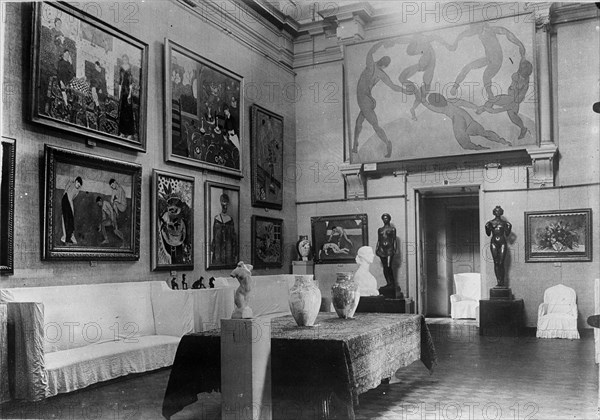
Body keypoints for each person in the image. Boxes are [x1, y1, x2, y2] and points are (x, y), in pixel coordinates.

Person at [352, 40, 408, 158]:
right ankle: (355, 145)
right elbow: (393, 86)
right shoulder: (380, 73)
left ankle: (387, 143)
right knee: (358, 122)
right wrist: (404, 90)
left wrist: (382, 43)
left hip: (365, 100)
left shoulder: (371, 65)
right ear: (385, 66)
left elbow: (371, 50)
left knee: (375, 125)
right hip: (366, 100)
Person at [449, 22, 526, 100]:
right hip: (488, 58)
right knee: (468, 67)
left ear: (481, 25)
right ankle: (455, 86)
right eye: (473, 29)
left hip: (496, 61)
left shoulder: (490, 30)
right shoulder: (477, 30)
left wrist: (519, 44)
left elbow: (506, 32)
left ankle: (490, 96)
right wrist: (455, 43)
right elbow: (464, 34)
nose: (474, 31)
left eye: (474, 28)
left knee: (486, 76)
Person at [422, 93, 510, 150]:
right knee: (468, 141)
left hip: (465, 121)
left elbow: (463, 103)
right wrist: (423, 101)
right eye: (437, 101)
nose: (441, 101)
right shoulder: (442, 109)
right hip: (462, 122)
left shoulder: (450, 102)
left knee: (482, 133)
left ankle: (500, 141)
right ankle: (482, 149)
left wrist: (476, 107)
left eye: (440, 98)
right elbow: (429, 106)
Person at [476, 58, 533, 139]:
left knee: (513, 118)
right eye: (521, 68)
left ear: (526, 72)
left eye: (524, 69)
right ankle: (483, 108)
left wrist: (507, 107)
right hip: (509, 97)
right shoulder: (517, 74)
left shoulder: (525, 84)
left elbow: (519, 98)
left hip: (513, 101)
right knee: (493, 100)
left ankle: (523, 129)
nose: (521, 70)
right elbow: (521, 61)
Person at [485, 206, 512, 288]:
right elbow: (488, 234)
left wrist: (509, 227)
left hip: (502, 242)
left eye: (499, 211)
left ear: (501, 212)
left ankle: (502, 282)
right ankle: (498, 282)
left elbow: (507, 234)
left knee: (501, 262)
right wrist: (486, 227)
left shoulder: (504, 223)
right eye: (496, 211)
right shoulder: (490, 222)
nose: (498, 212)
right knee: (496, 262)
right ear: (494, 212)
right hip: (494, 242)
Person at [211, 192, 237, 266]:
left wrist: (234, 252)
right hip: (218, 249)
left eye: (226, 203)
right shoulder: (216, 219)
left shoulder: (230, 220)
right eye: (223, 203)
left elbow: (233, 237)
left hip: (228, 250)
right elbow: (214, 235)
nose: (224, 206)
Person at [376, 213, 397, 292]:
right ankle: (388, 283)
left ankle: (392, 283)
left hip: (389, 249)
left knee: (388, 266)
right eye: (384, 218)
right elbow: (379, 240)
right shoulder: (380, 229)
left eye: (386, 218)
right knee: (385, 267)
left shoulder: (392, 229)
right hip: (381, 249)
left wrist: (395, 249)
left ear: (389, 219)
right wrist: (376, 248)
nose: (385, 220)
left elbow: (394, 240)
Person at [118, 54, 135, 139]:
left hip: (128, 92)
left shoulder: (130, 69)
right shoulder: (121, 68)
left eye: (126, 59)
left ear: (127, 60)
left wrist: (129, 95)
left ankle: (129, 133)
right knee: (122, 112)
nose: (124, 60)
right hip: (122, 93)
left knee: (128, 113)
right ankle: (122, 132)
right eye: (123, 59)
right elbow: (120, 82)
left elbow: (131, 84)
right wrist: (119, 94)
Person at [61, 176, 82, 244]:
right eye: (77, 184)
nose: (78, 186)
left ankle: (68, 237)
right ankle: (66, 237)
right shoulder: (71, 184)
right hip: (66, 200)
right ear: (76, 181)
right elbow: (69, 198)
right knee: (66, 219)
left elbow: (72, 198)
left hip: (69, 201)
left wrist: (72, 210)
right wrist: (65, 191)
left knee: (69, 220)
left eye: (79, 185)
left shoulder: (77, 191)